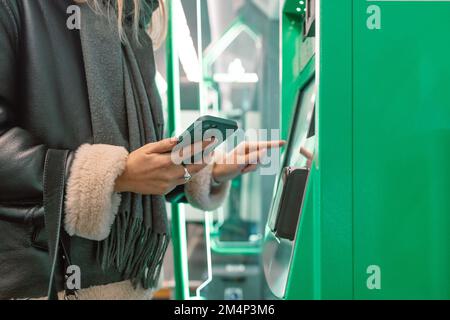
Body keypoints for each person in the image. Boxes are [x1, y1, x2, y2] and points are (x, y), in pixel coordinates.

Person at [0, 0, 284, 299]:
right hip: (45, 279)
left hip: (129, 278)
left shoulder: (132, 25)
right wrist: (115, 174)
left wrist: (210, 171)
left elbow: (140, 161)